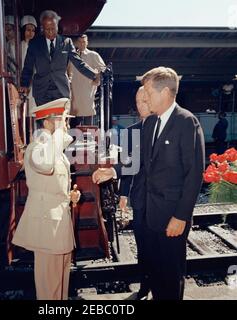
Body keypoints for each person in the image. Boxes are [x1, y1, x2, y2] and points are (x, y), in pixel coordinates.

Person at [93, 67, 205, 300]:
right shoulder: (152, 123)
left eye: (148, 93)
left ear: (164, 92)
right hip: (150, 213)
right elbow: (139, 162)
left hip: (171, 215)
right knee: (155, 269)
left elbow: (194, 175)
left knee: (171, 274)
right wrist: (113, 171)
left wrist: (181, 216)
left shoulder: (186, 122)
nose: (144, 99)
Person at [12, 98, 81, 300]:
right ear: (48, 122)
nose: (67, 126)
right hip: (47, 227)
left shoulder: (54, 150)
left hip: (59, 225)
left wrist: (70, 196)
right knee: (49, 287)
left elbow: (52, 186)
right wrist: (57, 132)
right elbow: (46, 166)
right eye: (63, 120)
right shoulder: (37, 148)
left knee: (61, 283)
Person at [20, 10, 100, 106]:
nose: (50, 32)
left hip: (61, 90)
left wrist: (93, 75)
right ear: (42, 28)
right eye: (47, 29)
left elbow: (78, 62)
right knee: (45, 121)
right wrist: (24, 84)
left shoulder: (67, 42)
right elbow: (28, 67)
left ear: (57, 26)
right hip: (41, 91)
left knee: (59, 120)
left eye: (53, 29)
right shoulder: (34, 44)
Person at [118, 86, 151, 299]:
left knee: (161, 250)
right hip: (140, 199)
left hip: (162, 202)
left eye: (145, 101)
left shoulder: (167, 128)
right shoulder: (130, 132)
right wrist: (123, 195)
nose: (141, 106)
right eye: (137, 101)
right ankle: (144, 286)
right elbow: (127, 166)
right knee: (143, 247)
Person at [68, 34, 106, 125]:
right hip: (74, 94)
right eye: (80, 42)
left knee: (88, 127)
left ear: (87, 43)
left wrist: (97, 81)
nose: (81, 44)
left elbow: (103, 69)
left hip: (87, 93)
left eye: (84, 42)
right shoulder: (72, 56)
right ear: (76, 43)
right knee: (74, 124)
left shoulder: (93, 55)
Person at [20, 15, 37, 112]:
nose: (30, 33)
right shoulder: (16, 45)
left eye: (33, 30)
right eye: (28, 30)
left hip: (34, 83)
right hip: (21, 83)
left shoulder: (38, 47)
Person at [5, 15, 17, 83]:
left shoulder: (21, 44)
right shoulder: (6, 45)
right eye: (5, 30)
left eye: (9, 30)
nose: (7, 33)